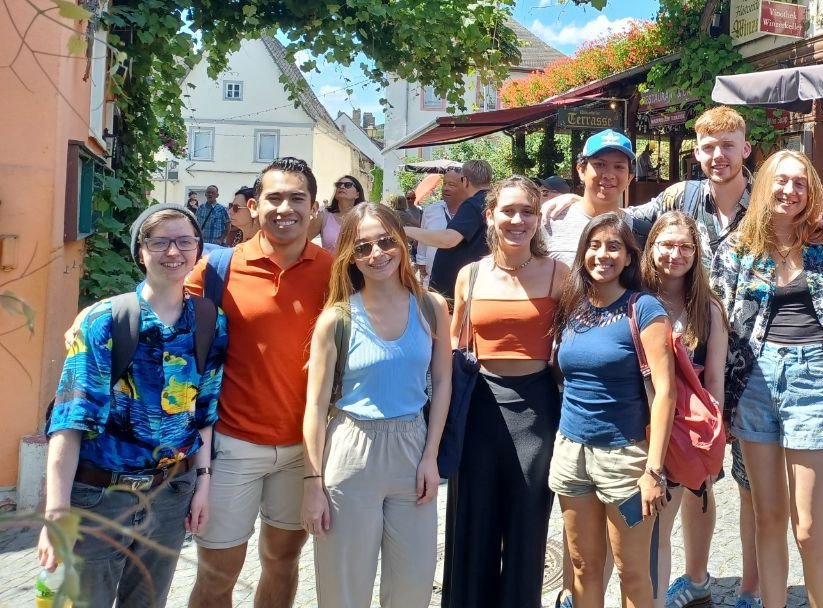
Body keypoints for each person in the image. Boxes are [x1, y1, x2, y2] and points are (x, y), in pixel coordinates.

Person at [545, 107, 823, 608]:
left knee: (756, 496)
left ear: (745, 149)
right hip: (712, 372)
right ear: (697, 152)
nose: (718, 156)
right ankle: (696, 577)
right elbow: (621, 223)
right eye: (708, 147)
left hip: (748, 366)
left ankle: (752, 591)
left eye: (728, 145)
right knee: (698, 485)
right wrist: (570, 201)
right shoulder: (680, 196)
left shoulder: (773, 196)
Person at [39, 204, 229, 607]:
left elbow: (205, 412)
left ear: (198, 249)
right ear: (140, 251)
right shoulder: (105, 320)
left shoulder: (210, 320)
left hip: (170, 493)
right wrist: (55, 511)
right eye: (159, 242)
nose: (173, 252)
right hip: (100, 498)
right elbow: (70, 420)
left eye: (184, 241)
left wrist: (203, 484)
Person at [713, 149, 823, 608]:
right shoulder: (739, 246)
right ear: (763, 186)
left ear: (811, 191)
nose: (789, 190)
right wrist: (718, 399)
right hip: (755, 380)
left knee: (808, 526)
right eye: (781, 180)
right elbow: (718, 323)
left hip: (813, 379)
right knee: (767, 517)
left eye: (800, 182)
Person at [186, 157, 334, 608]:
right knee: (217, 574)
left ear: (313, 210)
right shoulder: (217, 270)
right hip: (232, 446)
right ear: (253, 206)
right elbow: (170, 332)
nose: (284, 207)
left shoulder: (334, 271)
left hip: (303, 451)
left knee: (283, 563)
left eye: (297, 198)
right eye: (273, 197)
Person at [301, 202, 452, 608]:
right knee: (343, 589)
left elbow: (442, 382)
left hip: (411, 447)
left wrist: (431, 456)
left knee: (412, 586)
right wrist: (312, 484)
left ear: (402, 243)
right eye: (363, 247)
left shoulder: (431, 307)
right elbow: (314, 407)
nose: (377, 254)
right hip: (351, 452)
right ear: (349, 255)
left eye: (386, 242)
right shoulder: (336, 318)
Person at [442, 176, 567, 607]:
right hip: (479, 409)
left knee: (527, 528)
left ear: (538, 218)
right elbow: (455, 350)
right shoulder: (470, 275)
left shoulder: (558, 274)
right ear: (490, 215)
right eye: (508, 210)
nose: (517, 220)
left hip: (538, 411)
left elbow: (571, 348)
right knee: (472, 526)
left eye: (527, 211)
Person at [549, 212, 676, 608]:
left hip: (626, 458)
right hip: (571, 452)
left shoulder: (644, 308)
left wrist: (653, 470)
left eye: (614, 246)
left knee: (632, 572)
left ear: (628, 258)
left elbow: (665, 391)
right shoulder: (572, 304)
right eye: (595, 244)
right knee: (584, 566)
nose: (602, 254)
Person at [641, 211, 730, 608]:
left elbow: (715, 381)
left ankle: (694, 581)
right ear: (651, 247)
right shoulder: (634, 298)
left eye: (685, 247)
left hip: (689, 430)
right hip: (642, 425)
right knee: (650, 522)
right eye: (667, 244)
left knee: (696, 499)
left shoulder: (707, 308)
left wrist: (710, 438)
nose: (675, 254)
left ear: (696, 253)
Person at [544, 129, 647, 265]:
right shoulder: (549, 221)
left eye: (618, 167)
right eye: (599, 164)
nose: (609, 174)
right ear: (581, 170)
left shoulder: (641, 232)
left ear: (629, 178)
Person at [406, 159, 494, 299]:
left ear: (464, 180)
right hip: (475, 284)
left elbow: (448, 240)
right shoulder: (493, 202)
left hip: (455, 291)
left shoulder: (473, 204)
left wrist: (405, 230)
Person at [415, 169, 465, 283]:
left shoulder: (474, 213)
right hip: (434, 282)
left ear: (465, 186)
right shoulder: (431, 211)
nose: (445, 188)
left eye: (451, 184)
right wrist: (423, 268)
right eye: (444, 184)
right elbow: (423, 243)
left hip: (465, 284)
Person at [314, 175, 366, 252]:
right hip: (330, 264)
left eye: (348, 185)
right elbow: (302, 241)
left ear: (357, 194)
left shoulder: (365, 218)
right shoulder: (324, 216)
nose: (342, 187)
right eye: (338, 185)